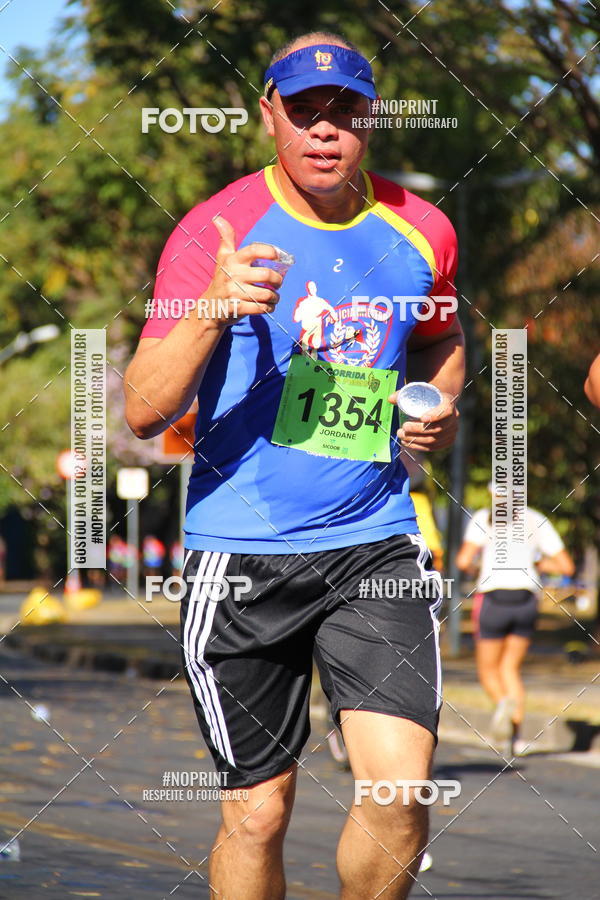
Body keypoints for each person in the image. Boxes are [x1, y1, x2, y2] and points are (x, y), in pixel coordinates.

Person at [125, 31, 464, 900]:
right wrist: (213, 306)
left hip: (374, 544)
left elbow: (440, 339)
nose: (324, 131)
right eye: (304, 112)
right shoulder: (214, 232)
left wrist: (434, 409)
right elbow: (141, 406)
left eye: (344, 113)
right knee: (257, 812)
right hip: (242, 555)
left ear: (370, 123)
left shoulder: (421, 230)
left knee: (397, 793)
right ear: (267, 114)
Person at [456, 484, 575, 756]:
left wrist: (478, 569)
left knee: (488, 670)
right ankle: (517, 739)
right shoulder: (536, 519)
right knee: (510, 668)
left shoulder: (484, 518)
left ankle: (502, 707)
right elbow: (566, 566)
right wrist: (539, 565)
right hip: (526, 598)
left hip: (494, 597)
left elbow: (463, 561)